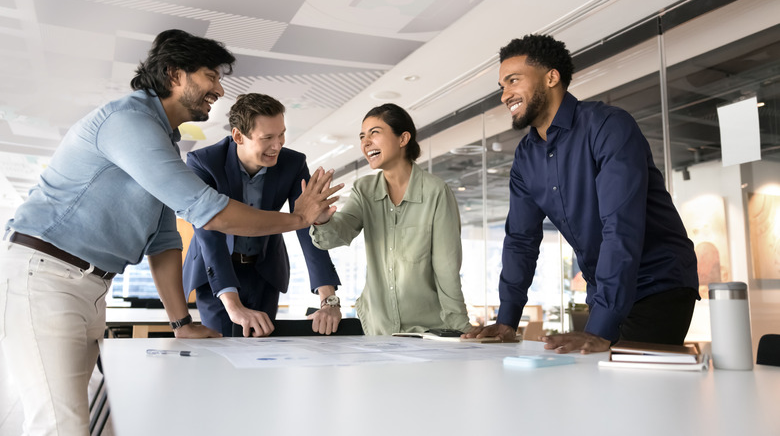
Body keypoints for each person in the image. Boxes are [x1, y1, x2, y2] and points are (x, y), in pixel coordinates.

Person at [0, 29, 341, 435]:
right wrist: (298, 218)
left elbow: (163, 240)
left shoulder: (163, 139)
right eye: (210, 75)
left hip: (86, 285)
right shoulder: (129, 122)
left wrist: (181, 323)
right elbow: (208, 213)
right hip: (47, 274)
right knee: (61, 425)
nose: (219, 87)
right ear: (174, 74)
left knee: (96, 420)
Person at [464, 34, 698, 352]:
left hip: (657, 284)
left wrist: (600, 328)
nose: (505, 95)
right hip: (604, 289)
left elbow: (621, 227)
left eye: (513, 80)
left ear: (551, 77)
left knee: (635, 393)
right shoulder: (525, 157)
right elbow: (521, 239)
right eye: (502, 86)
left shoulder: (608, 127)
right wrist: (507, 320)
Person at [183, 93, 342, 337]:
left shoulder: (292, 163)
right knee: (221, 351)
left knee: (261, 350)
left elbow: (307, 226)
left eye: (281, 135)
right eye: (267, 137)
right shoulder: (204, 163)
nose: (278, 145)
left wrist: (328, 300)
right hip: (217, 270)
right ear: (238, 136)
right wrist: (234, 307)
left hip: (264, 269)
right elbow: (210, 235)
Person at [309, 103, 472, 335]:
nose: (365, 143)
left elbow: (447, 268)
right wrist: (322, 220)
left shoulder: (435, 191)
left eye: (374, 133)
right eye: (362, 136)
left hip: (427, 330)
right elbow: (336, 236)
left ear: (403, 138)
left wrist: (460, 328)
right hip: (377, 329)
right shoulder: (364, 189)